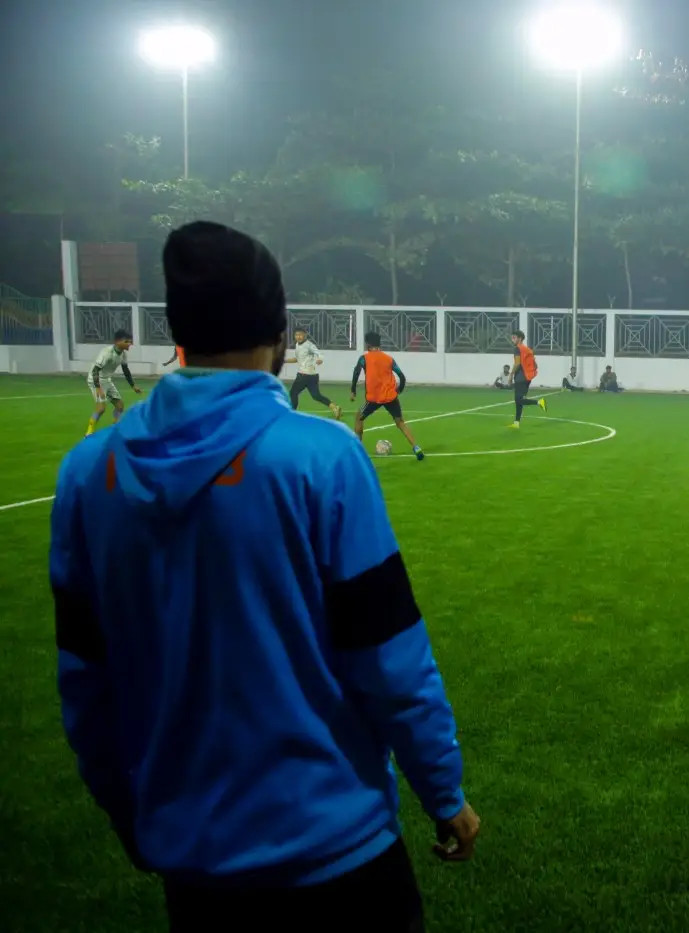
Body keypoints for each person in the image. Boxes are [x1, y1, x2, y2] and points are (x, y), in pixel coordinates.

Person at [50, 221, 478, 933]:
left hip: (195, 866)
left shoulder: (87, 474)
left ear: (177, 331)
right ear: (279, 336)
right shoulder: (322, 458)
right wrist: (444, 792)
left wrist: (133, 816)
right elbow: (389, 656)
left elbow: (85, 686)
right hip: (339, 852)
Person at [350, 332, 424, 460]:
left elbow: (356, 373)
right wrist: (399, 390)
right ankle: (416, 447)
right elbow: (402, 376)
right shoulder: (389, 359)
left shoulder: (364, 358)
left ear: (367, 344)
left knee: (359, 417)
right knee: (400, 422)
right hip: (390, 397)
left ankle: (357, 451)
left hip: (374, 398)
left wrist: (353, 391)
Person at [85, 329, 143, 436]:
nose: (129, 344)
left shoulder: (123, 355)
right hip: (95, 380)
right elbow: (95, 370)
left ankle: (115, 430)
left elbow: (126, 371)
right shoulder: (107, 353)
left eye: (130, 341)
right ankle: (88, 433)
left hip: (106, 380)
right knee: (101, 408)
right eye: (127, 341)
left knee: (120, 406)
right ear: (117, 342)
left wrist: (133, 386)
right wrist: (98, 388)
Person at [286, 327, 342, 419]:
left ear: (305, 335)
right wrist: (284, 361)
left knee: (293, 393)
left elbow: (319, 353)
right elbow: (297, 359)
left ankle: (292, 413)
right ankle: (334, 407)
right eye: (296, 335)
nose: (298, 337)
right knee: (316, 396)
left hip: (303, 375)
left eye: (300, 334)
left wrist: (320, 359)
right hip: (312, 376)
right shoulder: (297, 345)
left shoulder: (309, 345)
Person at [508, 329, 547, 426]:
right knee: (519, 400)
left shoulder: (517, 349)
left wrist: (511, 375)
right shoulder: (528, 349)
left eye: (514, 337)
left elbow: (517, 364)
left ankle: (539, 402)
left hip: (520, 377)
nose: (512, 340)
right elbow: (535, 365)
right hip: (527, 378)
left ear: (520, 338)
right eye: (512, 338)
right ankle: (516, 423)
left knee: (518, 400)